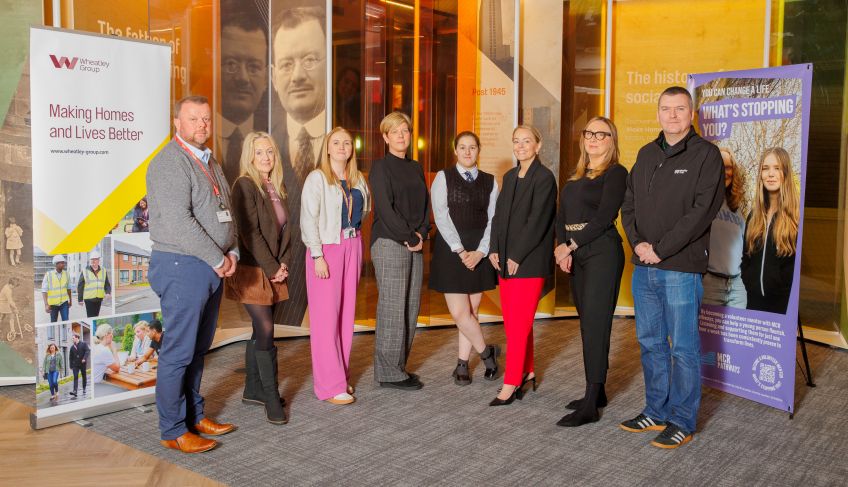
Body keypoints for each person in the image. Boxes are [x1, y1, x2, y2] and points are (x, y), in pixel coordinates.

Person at [620, 86, 724, 449]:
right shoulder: (646, 154)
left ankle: (682, 419)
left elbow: (701, 214)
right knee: (650, 343)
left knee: (683, 347)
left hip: (680, 267)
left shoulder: (706, 156)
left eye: (680, 109)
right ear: (658, 113)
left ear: (691, 113)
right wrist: (638, 245)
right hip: (644, 267)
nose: (673, 115)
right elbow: (628, 205)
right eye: (666, 109)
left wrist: (660, 250)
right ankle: (656, 410)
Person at [146, 95, 238, 454]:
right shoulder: (170, 162)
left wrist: (232, 252)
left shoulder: (209, 161)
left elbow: (225, 210)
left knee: (198, 350)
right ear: (177, 124)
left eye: (206, 119)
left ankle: (194, 417)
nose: (202, 125)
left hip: (210, 265)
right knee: (178, 352)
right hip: (182, 266)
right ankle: (172, 429)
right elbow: (180, 223)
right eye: (193, 119)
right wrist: (218, 258)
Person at [554, 117, 627, 426]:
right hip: (577, 252)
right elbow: (562, 215)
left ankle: (590, 405)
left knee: (596, 325)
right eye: (589, 133)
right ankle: (597, 391)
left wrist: (571, 244)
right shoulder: (575, 177)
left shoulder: (616, 173)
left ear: (612, 140)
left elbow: (605, 217)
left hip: (602, 251)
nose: (594, 138)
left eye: (602, 134)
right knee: (588, 324)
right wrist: (562, 248)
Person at [226, 131, 292, 424]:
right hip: (253, 270)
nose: (266, 157)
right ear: (249, 157)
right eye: (259, 152)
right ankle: (270, 396)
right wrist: (271, 267)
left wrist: (284, 262)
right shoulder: (244, 185)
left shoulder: (275, 186)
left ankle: (253, 389)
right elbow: (249, 233)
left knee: (259, 330)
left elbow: (287, 229)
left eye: (270, 152)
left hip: (275, 269)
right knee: (265, 330)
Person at [488, 125, 557, 406]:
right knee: (516, 322)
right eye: (516, 141)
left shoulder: (545, 178)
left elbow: (538, 222)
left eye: (527, 141)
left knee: (517, 326)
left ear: (538, 146)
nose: (521, 146)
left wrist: (515, 255)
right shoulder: (510, 176)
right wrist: (494, 249)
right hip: (505, 260)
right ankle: (527, 370)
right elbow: (498, 216)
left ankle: (511, 382)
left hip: (527, 261)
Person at [301, 127, 370, 405]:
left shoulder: (358, 179)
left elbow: (363, 212)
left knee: (345, 316)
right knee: (325, 319)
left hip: (352, 245)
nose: (342, 147)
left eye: (347, 143)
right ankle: (329, 385)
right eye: (336, 142)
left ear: (352, 149)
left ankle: (340, 376)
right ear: (327, 148)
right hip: (326, 249)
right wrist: (317, 255)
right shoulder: (317, 178)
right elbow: (308, 218)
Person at [270, 5, 328, 327]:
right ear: (274, 76)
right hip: (283, 272)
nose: (298, 75)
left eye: (309, 60)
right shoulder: (261, 149)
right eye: (287, 63)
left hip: (332, 265)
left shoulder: (343, 143)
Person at [428, 131, 500, 386]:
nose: (467, 152)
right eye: (462, 147)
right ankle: (486, 353)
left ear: (478, 150)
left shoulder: (491, 181)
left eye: (472, 147)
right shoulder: (443, 177)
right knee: (460, 313)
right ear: (455, 150)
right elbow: (441, 215)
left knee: (472, 311)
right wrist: (460, 249)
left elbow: (494, 220)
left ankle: (462, 364)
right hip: (452, 251)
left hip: (479, 250)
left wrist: (481, 251)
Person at [369, 112, 430, 390]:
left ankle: (398, 366)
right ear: (385, 137)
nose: (401, 136)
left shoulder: (416, 167)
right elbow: (385, 208)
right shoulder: (380, 167)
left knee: (410, 307)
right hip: (390, 242)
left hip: (413, 241)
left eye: (405, 130)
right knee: (392, 308)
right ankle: (388, 372)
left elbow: (423, 206)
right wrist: (409, 236)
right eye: (395, 132)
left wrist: (422, 233)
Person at [741, 147, 799, 314]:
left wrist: (782, 284)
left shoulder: (796, 216)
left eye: (777, 168)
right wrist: (749, 280)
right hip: (753, 303)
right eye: (765, 168)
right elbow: (746, 257)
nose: (770, 174)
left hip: (783, 305)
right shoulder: (754, 216)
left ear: (786, 173)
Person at [219, 7, 269, 184]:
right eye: (231, 64)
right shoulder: (200, 135)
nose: (243, 78)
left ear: (266, 79)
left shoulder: (274, 137)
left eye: (254, 67)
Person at [702, 147, 747, 308]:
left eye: (728, 167)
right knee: (709, 333)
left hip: (737, 287)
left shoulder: (737, 208)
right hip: (710, 284)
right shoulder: (702, 203)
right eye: (719, 166)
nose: (724, 172)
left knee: (737, 333)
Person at [77, 251, 111, 317]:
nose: (93, 261)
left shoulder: (103, 270)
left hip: (99, 298)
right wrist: (80, 299)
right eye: (91, 260)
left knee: (96, 315)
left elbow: (106, 283)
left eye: (95, 259)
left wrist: (108, 292)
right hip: (89, 299)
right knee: (90, 316)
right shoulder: (85, 271)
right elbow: (80, 286)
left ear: (98, 260)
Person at [41, 255, 72, 322]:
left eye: (64, 262)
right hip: (53, 304)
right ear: (56, 264)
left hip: (64, 303)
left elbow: (69, 289)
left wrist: (70, 301)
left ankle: (65, 332)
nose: (63, 264)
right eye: (61, 263)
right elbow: (44, 291)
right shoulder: (48, 275)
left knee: (66, 322)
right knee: (53, 322)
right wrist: (46, 305)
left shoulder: (67, 274)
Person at [68, 331, 90, 397]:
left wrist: (84, 358)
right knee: (75, 377)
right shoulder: (72, 347)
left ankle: (84, 388)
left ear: (77, 338)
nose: (72, 339)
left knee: (84, 376)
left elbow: (87, 351)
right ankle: (75, 391)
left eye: (73, 338)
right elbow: (70, 357)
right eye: (72, 338)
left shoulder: (84, 344)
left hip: (82, 363)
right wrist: (71, 365)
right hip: (75, 365)